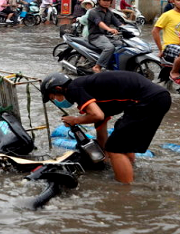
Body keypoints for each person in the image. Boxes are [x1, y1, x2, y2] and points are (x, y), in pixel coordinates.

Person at [41, 71, 171, 184]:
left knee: (115, 148)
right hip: (158, 98)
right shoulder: (93, 92)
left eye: (53, 97)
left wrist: (75, 120)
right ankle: (128, 169)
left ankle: (125, 189)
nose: (57, 101)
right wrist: (105, 161)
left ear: (58, 88)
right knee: (120, 135)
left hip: (147, 100)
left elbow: (97, 115)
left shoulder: (74, 88)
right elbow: (101, 129)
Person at [152, 0, 180, 85]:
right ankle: (174, 72)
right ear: (173, 1)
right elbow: (155, 31)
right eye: (179, 0)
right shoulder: (167, 15)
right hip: (170, 46)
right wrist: (160, 49)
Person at [87, 0, 123, 73]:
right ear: (99, 1)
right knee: (109, 47)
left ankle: (112, 65)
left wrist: (128, 29)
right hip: (95, 36)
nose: (106, 2)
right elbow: (99, 22)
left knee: (122, 44)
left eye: (108, 1)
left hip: (106, 36)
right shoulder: (93, 12)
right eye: (104, 0)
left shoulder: (109, 12)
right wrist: (109, 29)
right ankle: (97, 66)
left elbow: (118, 23)